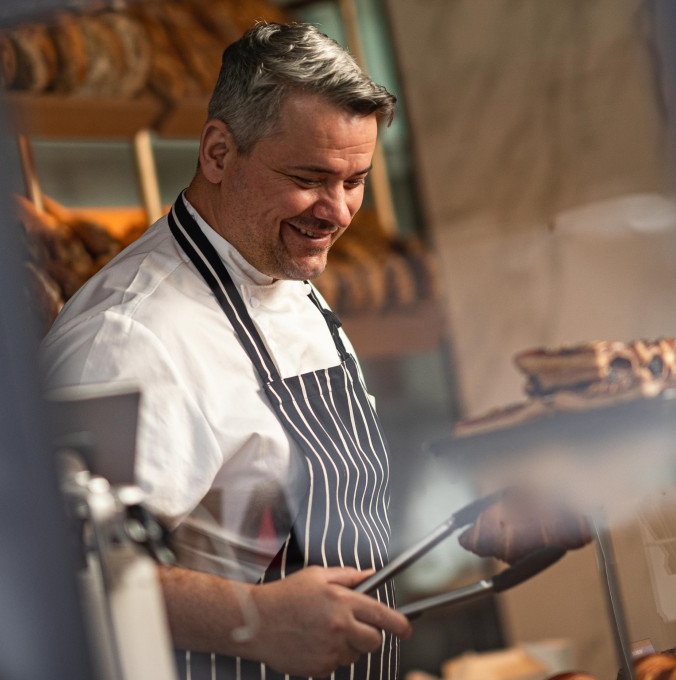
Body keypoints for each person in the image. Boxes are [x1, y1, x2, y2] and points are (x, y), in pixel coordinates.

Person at [40, 21, 413, 680]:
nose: (338, 211)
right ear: (217, 152)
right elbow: (65, 568)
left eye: (355, 180)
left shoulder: (282, 264)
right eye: (310, 177)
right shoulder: (128, 337)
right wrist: (254, 617)